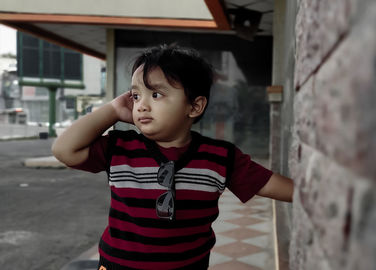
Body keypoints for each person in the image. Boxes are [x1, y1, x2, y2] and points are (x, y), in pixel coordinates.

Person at [52, 44, 294, 270]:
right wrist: (112, 111)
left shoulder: (220, 157)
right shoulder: (120, 148)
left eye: (156, 95)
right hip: (117, 264)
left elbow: (270, 184)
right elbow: (65, 151)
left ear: (195, 106)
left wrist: (318, 193)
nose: (141, 105)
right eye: (136, 96)